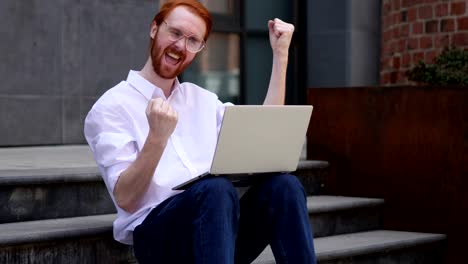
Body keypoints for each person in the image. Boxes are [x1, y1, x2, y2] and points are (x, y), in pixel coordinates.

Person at [84, 0, 316, 263]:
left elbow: (264, 133)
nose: (181, 46)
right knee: (215, 190)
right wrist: (156, 139)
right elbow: (125, 197)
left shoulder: (204, 100)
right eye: (175, 33)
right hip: (159, 239)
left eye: (193, 40)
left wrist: (281, 55)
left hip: (216, 232)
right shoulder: (111, 106)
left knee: (284, 187)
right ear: (154, 29)